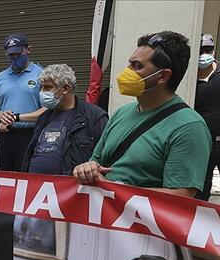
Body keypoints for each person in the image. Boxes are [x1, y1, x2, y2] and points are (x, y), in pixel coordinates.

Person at [74, 31, 212, 197]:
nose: (127, 71)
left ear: (162, 76)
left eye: (137, 66)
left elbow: (182, 196)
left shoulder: (188, 127)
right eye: (129, 64)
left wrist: (112, 189)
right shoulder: (121, 113)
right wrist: (86, 170)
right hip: (105, 218)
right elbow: (96, 161)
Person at [23, 64, 108, 175]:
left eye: (48, 87)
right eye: (41, 87)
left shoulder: (94, 117)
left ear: (65, 89)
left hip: (71, 189)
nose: (42, 92)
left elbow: (105, 158)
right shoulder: (44, 117)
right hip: (38, 186)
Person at [0, 33, 45, 172]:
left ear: (28, 49)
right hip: (4, 136)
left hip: (31, 135)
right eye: (11, 55)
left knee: (27, 177)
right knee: (2, 177)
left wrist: (16, 117)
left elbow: (48, 110)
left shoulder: (42, 75)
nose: (15, 58)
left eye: (18, 53)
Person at [196, 33, 219, 200]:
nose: (204, 54)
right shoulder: (188, 80)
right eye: (201, 50)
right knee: (202, 188)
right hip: (202, 143)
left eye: (208, 49)